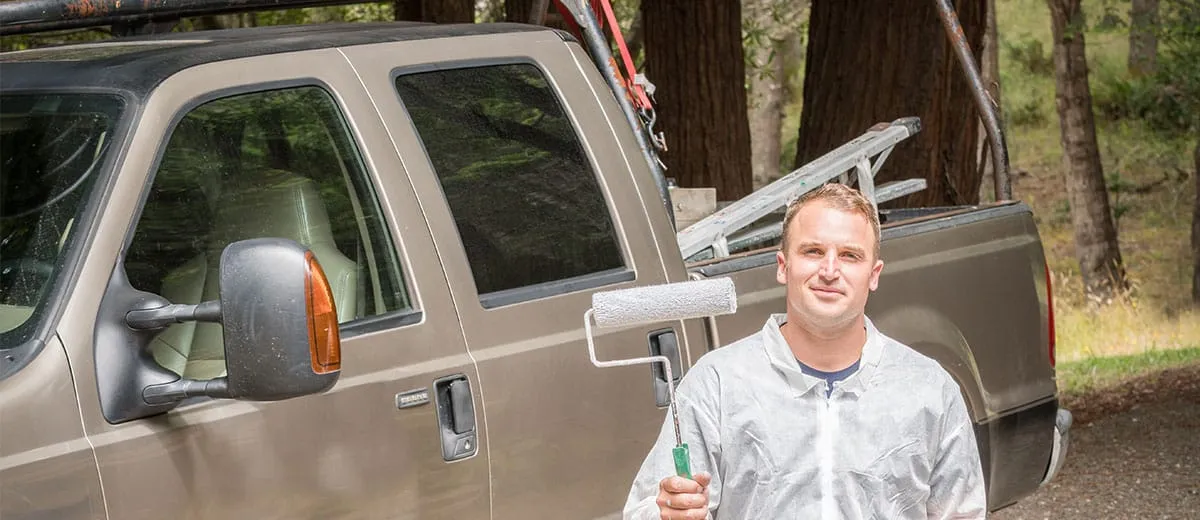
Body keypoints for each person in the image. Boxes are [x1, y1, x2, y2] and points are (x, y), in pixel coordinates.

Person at [623, 183, 987, 519]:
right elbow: (645, 510)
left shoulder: (928, 389)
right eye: (813, 251)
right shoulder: (717, 384)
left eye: (849, 256)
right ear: (784, 266)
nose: (830, 270)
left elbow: (963, 513)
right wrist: (668, 513)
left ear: (873, 275)